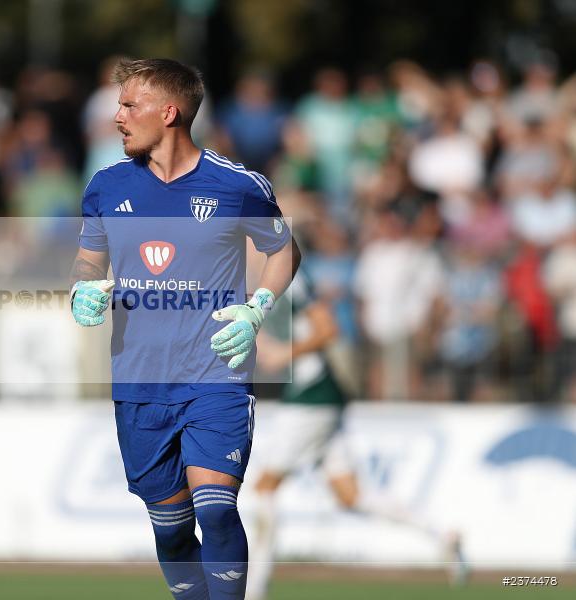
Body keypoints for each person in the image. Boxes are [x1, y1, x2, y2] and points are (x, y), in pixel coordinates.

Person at [69, 58, 300, 600]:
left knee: (217, 511)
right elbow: (87, 261)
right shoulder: (105, 186)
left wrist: (257, 308)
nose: (117, 116)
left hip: (215, 374)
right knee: (172, 534)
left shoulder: (237, 185)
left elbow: (284, 248)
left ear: (168, 112)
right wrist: (82, 288)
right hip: (139, 382)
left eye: (129, 105)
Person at [245, 274, 467, 600]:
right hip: (319, 398)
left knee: (264, 488)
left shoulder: (292, 280)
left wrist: (284, 353)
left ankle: (254, 589)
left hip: (311, 399)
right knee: (350, 496)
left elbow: (327, 329)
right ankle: (441, 534)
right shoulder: (262, 278)